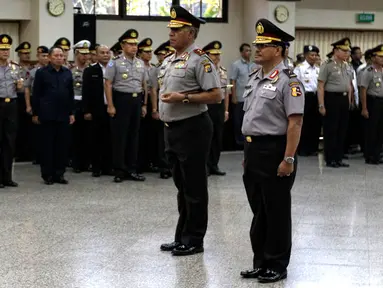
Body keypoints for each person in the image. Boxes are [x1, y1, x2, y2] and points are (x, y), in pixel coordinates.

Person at [240, 19, 304, 283]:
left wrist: (288, 158)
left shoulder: (289, 81)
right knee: (259, 210)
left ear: (278, 50)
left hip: (276, 151)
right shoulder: (255, 76)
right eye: (256, 44)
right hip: (253, 150)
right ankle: (260, 260)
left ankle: (277, 264)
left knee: (276, 210)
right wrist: (247, 155)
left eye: (263, 45)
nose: (256, 49)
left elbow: (295, 122)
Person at [158, 5, 221, 256]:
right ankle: (181, 235)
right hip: (172, 129)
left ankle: (195, 239)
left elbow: (216, 95)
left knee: (194, 187)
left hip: (193, 127)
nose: (171, 33)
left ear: (191, 34)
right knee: (181, 187)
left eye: (177, 30)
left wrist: (182, 98)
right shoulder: (169, 60)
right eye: (171, 29)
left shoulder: (201, 60)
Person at [104, 29, 147, 183]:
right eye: (130, 44)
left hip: (136, 101)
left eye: (135, 44)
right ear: (122, 45)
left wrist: (144, 104)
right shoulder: (114, 62)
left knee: (134, 136)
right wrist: (110, 105)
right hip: (121, 100)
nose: (134, 47)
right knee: (120, 136)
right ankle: (119, 170)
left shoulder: (141, 63)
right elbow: (108, 84)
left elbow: (144, 85)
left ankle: (132, 168)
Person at [32, 46, 75, 185]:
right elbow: (36, 94)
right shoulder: (42, 73)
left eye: (61, 55)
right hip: (47, 114)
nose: (59, 58)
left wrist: (71, 113)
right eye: (56, 55)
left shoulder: (67, 73)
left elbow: (70, 94)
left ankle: (59, 174)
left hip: (63, 114)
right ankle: (47, 174)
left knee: (62, 146)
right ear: (50, 57)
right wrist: (35, 113)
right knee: (47, 146)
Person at [318, 38, 353, 168]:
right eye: (344, 51)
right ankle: (330, 158)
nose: (347, 53)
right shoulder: (327, 65)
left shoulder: (347, 66)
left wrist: (348, 101)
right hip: (331, 99)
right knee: (331, 130)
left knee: (342, 130)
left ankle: (338, 157)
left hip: (344, 99)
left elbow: (349, 85)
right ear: (336, 50)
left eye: (348, 51)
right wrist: (321, 105)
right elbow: (321, 86)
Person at [82, 44, 113, 177]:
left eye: (107, 52)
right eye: (102, 52)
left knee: (110, 139)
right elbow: (86, 91)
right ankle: (96, 167)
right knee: (96, 139)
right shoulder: (91, 70)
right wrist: (87, 110)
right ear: (97, 55)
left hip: (111, 108)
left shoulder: (114, 68)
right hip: (96, 109)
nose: (105, 55)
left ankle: (108, 167)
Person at [0, 34, 23, 188]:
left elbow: (20, 87)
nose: (5, 52)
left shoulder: (15, 67)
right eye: (2, 49)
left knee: (10, 141)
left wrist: (20, 86)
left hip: (11, 104)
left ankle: (7, 177)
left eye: (7, 49)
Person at [202, 40, 228, 176]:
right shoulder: (204, 70)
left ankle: (214, 164)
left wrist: (226, 110)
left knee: (218, 136)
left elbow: (226, 92)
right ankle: (205, 166)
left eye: (218, 55)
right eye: (214, 55)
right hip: (208, 106)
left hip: (220, 106)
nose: (217, 57)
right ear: (207, 55)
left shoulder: (223, 71)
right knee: (207, 137)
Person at [151, 41, 174, 179]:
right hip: (163, 104)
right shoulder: (158, 69)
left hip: (176, 105)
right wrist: (154, 108)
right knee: (162, 139)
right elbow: (154, 90)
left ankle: (173, 166)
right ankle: (164, 167)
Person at [24, 45, 50, 164]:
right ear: (38, 56)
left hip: (49, 103)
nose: (45, 58)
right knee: (37, 131)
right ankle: (37, 156)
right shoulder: (33, 71)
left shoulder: (52, 70)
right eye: (42, 56)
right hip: (37, 101)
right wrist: (28, 105)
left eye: (46, 56)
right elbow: (27, 88)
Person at [294, 45, 320, 156]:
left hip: (316, 97)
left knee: (315, 124)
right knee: (304, 124)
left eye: (315, 55)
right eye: (311, 55)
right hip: (304, 97)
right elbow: (294, 84)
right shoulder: (299, 68)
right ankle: (303, 149)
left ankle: (313, 148)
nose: (314, 57)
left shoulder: (318, 69)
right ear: (305, 55)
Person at [137, 37, 158, 174]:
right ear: (140, 53)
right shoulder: (137, 66)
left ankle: (150, 162)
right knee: (140, 134)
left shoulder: (154, 68)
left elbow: (154, 88)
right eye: (146, 52)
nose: (149, 54)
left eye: (150, 52)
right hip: (140, 101)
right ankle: (140, 163)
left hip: (152, 101)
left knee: (151, 134)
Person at [230, 43, 257, 148]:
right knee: (238, 120)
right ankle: (238, 142)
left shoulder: (254, 65)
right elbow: (233, 80)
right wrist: (234, 96)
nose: (249, 52)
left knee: (249, 119)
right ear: (241, 52)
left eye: (250, 50)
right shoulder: (236, 65)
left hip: (251, 97)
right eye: (246, 50)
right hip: (240, 96)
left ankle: (247, 140)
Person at [70, 40, 91, 173]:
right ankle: (76, 162)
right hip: (75, 102)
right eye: (82, 54)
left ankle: (87, 162)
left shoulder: (91, 70)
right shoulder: (70, 71)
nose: (85, 57)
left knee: (88, 134)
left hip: (87, 103)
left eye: (87, 54)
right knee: (75, 135)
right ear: (77, 53)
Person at [360, 44, 383, 164]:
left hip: (382, 102)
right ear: (373, 58)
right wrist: (364, 108)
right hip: (372, 101)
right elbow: (363, 89)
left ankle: (377, 154)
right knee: (371, 130)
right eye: (380, 57)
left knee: (380, 130)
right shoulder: (368, 71)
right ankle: (369, 155)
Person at [14, 41, 32, 162]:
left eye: (28, 53)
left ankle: (29, 152)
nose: (26, 55)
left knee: (29, 128)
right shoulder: (14, 67)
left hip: (31, 98)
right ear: (19, 54)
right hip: (18, 98)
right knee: (18, 126)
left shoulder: (33, 68)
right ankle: (18, 152)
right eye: (24, 53)